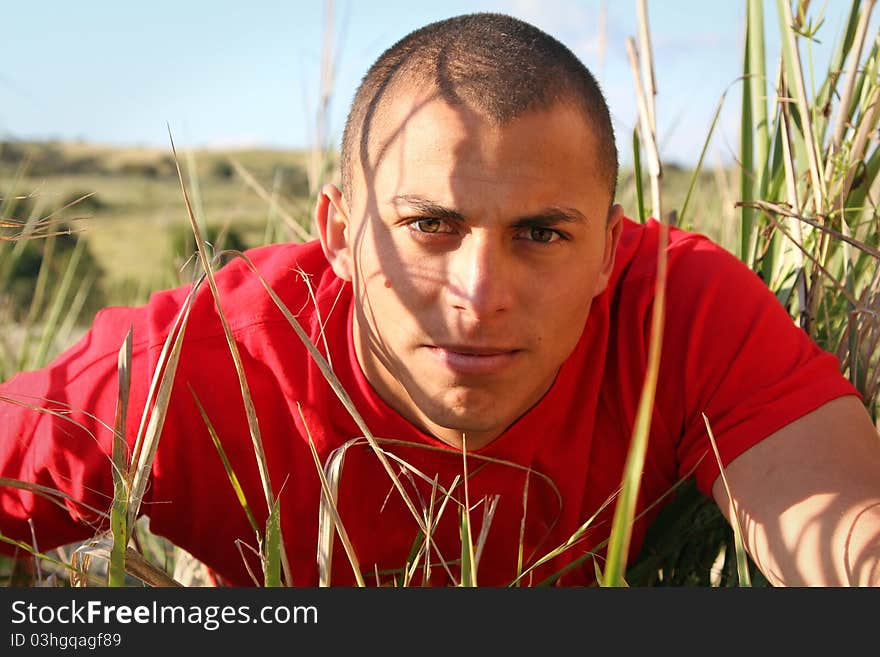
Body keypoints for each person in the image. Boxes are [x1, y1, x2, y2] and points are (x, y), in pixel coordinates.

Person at [2, 12, 879, 587]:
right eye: (430, 226)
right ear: (339, 235)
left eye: (541, 233)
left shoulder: (677, 313)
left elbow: (846, 539)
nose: (480, 294)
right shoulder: (192, 370)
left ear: (611, 249)